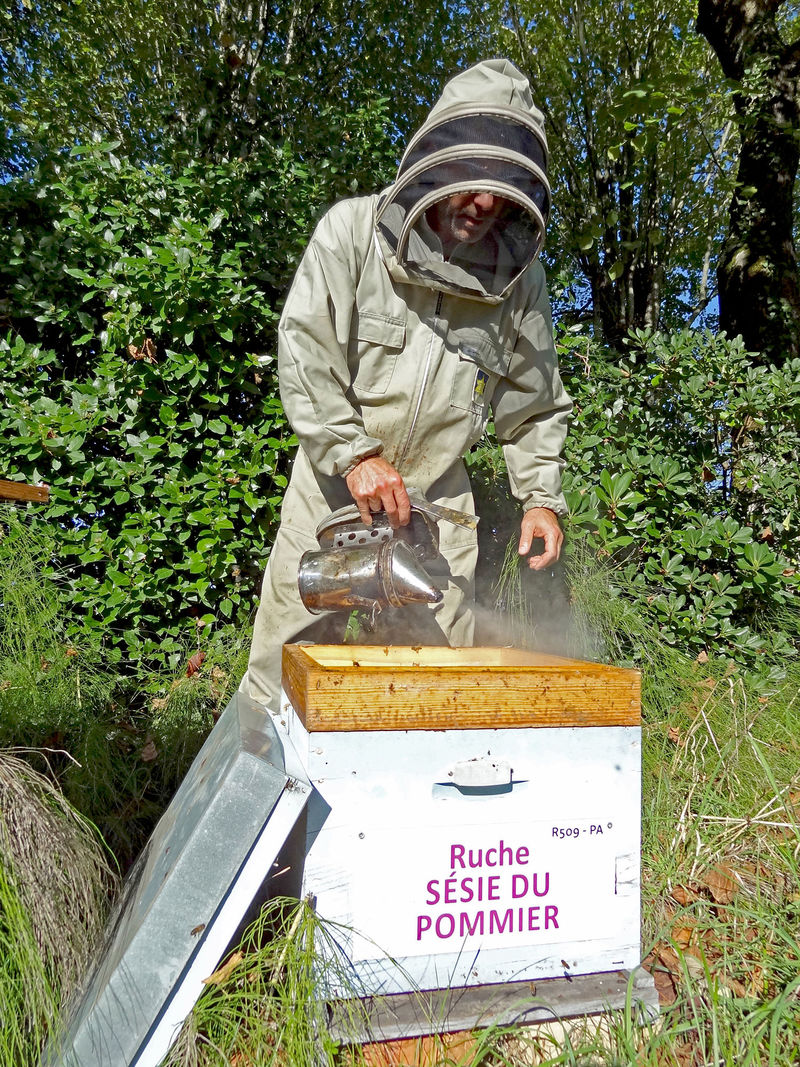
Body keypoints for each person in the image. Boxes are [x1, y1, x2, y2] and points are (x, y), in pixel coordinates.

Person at [241, 58, 573, 709]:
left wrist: (540, 496)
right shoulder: (351, 234)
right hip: (331, 490)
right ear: (439, 161)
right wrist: (355, 454)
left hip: (437, 507)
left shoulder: (518, 282)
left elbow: (532, 403)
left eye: (502, 189)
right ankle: (263, 803)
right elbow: (305, 348)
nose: (483, 203)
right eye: (473, 181)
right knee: (282, 675)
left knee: (433, 685)